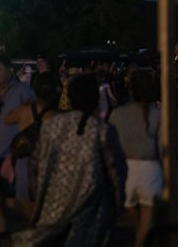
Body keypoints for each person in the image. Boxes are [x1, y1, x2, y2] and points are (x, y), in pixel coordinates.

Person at [14, 73, 127, 247]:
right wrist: (117, 205)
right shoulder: (102, 130)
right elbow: (116, 173)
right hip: (90, 217)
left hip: (52, 211)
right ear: (95, 99)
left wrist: (40, 196)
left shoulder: (50, 126)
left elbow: (34, 167)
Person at [0, 54, 33, 245]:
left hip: (15, 155)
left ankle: (36, 228)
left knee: (17, 201)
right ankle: (2, 236)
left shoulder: (23, 92)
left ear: (9, 70)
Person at [108, 69, 161, 247]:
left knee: (138, 225)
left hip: (125, 171)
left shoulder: (117, 115)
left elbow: (111, 146)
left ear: (130, 89)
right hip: (149, 170)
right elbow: (161, 147)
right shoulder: (156, 114)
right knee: (145, 226)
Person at [3, 71, 60, 217]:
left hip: (24, 160)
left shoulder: (24, 110)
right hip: (47, 160)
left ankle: (32, 227)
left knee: (26, 201)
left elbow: (7, 119)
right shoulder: (57, 115)